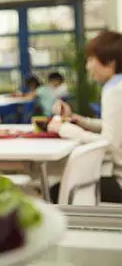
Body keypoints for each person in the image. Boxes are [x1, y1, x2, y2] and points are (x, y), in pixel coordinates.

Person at [49, 31, 122, 203]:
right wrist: (81, 121)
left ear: (110, 63)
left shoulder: (115, 91)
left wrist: (66, 129)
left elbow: (110, 143)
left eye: (91, 60)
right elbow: (116, 128)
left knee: (56, 191)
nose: (88, 67)